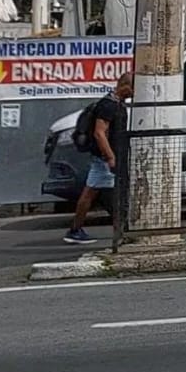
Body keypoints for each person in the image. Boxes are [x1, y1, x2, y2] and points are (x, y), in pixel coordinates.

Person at [64, 73, 133, 245]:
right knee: (111, 196)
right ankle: (123, 231)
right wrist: (110, 157)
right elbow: (99, 133)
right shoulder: (108, 105)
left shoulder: (116, 104)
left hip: (107, 157)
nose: (133, 93)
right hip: (105, 159)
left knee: (93, 193)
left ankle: (76, 229)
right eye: (132, 88)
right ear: (124, 86)